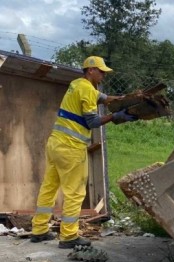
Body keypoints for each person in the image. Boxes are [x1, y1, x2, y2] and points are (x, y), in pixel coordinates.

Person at [30, 56, 136, 249]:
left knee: (49, 187)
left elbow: (100, 97)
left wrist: (117, 99)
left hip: (55, 144)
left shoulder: (77, 84)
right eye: (101, 71)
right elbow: (93, 122)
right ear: (90, 70)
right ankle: (69, 236)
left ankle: (39, 230)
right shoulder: (87, 89)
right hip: (71, 147)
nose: (103, 75)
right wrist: (115, 116)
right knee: (75, 192)